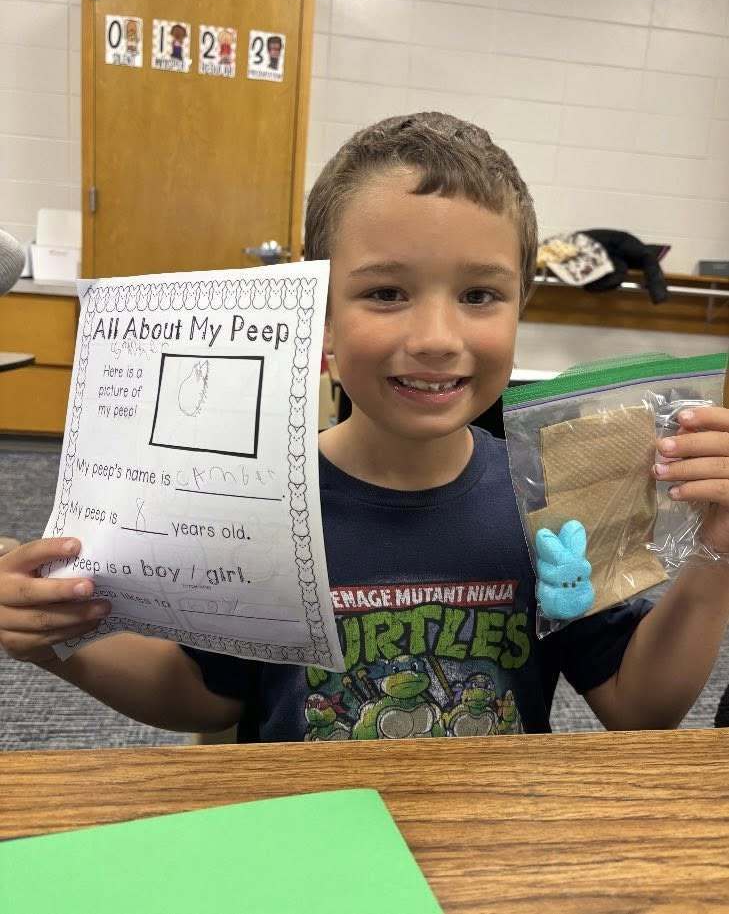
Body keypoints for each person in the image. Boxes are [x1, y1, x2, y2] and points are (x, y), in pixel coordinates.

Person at [2, 112, 729, 740]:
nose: (438, 336)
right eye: (385, 292)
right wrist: (54, 646)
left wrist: (714, 553)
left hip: (485, 851)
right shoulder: (255, 497)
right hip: (307, 847)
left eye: (479, 293)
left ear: (521, 305)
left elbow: (638, 708)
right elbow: (205, 691)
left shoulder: (546, 499)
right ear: (315, 309)